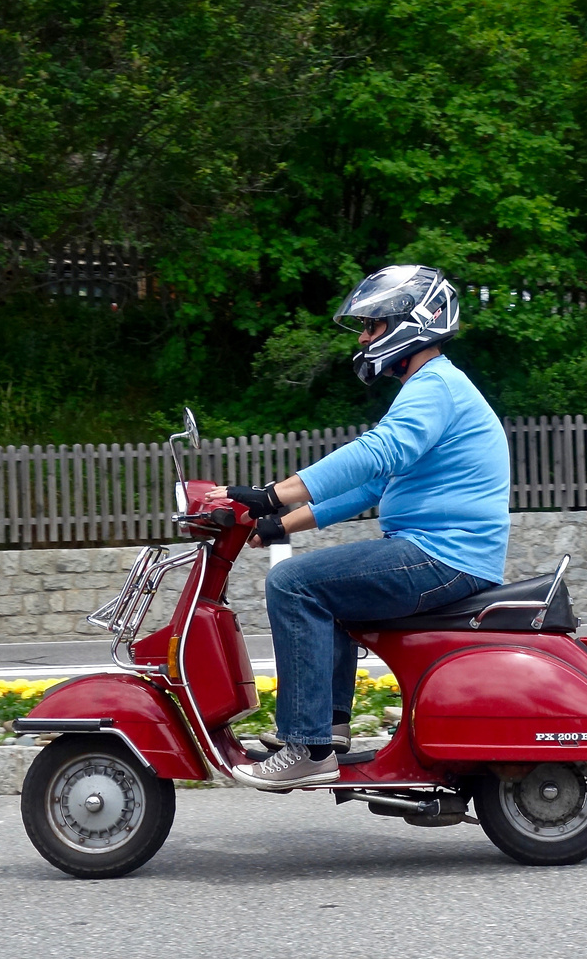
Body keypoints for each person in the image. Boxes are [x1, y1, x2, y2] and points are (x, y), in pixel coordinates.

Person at [208, 265, 511, 791]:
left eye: (373, 326)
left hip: (444, 556)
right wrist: (282, 524)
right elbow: (375, 488)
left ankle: (308, 745)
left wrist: (272, 494)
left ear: (413, 323)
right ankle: (327, 727)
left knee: (293, 583)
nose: (366, 338)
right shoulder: (436, 385)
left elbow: (378, 453)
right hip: (440, 553)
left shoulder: (434, 384)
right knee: (327, 589)